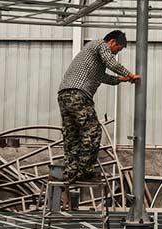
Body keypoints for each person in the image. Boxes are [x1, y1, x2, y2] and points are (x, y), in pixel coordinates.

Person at [57, 30, 140, 183]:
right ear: (112, 42)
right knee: (93, 131)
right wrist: (129, 74)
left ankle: (70, 173)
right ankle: (85, 171)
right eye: (118, 49)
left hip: (64, 95)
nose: (115, 53)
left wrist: (121, 79)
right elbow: (111, 62)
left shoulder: (92, 56)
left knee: (72, 136)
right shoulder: (100, 45)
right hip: (78, 94)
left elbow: (102, 77)